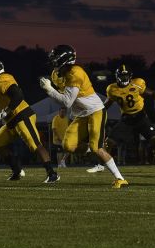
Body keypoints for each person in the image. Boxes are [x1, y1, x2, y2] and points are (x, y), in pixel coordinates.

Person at [39, 45, 128, 189]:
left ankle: (120, 178)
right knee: (68, 145)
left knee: (96, 148)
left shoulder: (76, 73)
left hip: (95, 111)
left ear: (64, 60)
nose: (53, 61)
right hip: (81, 114)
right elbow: (62, 98)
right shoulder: (57, 74)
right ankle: (90, 148)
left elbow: (67, 102)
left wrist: (49, 90)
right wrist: (52, 90)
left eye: (55, 58)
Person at [0, 58, 60, 184]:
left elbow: (18, 96)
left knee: (35, 144)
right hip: (11, 121)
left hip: (22, 115)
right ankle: (17, 170)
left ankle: (52, 173)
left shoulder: (3, 78)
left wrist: (4, 113)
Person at [105, 64, 155, 173]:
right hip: (126, 119)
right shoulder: (112, 89)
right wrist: (99, 110)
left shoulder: (137, 83)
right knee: (109, 142)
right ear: (117, 77)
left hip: (141, 117)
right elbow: (108, 103)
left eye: (126, 76)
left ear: (130, 76)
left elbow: (152, 93)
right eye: (122, 76)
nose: (124, 78)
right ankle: (102, 164)